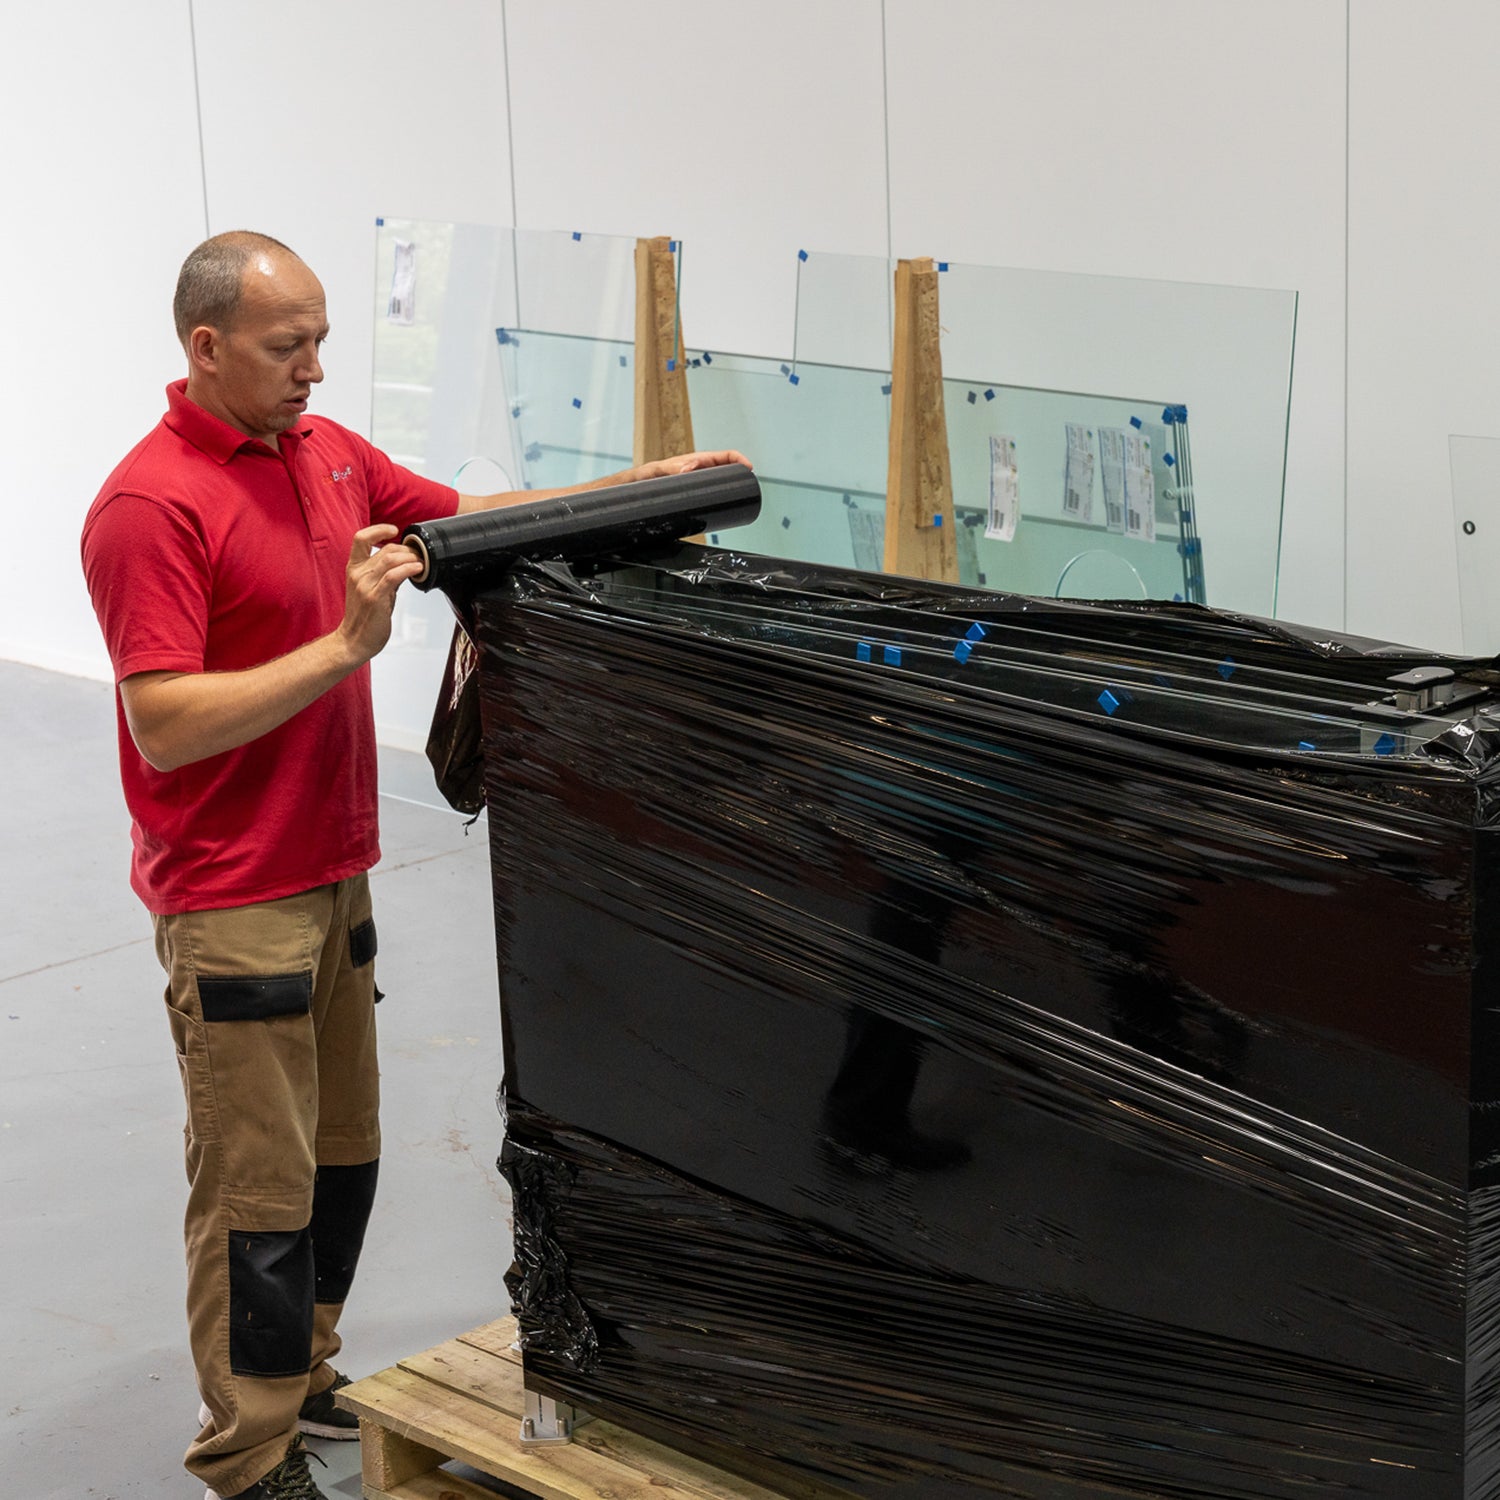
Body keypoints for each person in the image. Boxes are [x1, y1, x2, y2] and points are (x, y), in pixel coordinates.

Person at [81, 229, 748, 1500]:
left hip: (338, 880)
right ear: (207, 348)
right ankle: (248, 1456)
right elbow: (161, 721)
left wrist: (641, 483)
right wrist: (344, 648)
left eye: (324, 340)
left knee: (343, 1162)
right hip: (237, 906)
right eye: (290, 348)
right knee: (256, 1199)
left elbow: (467, 518)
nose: (317, 370)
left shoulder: (322, 455)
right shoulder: (149, 506)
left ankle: (309, 1370)